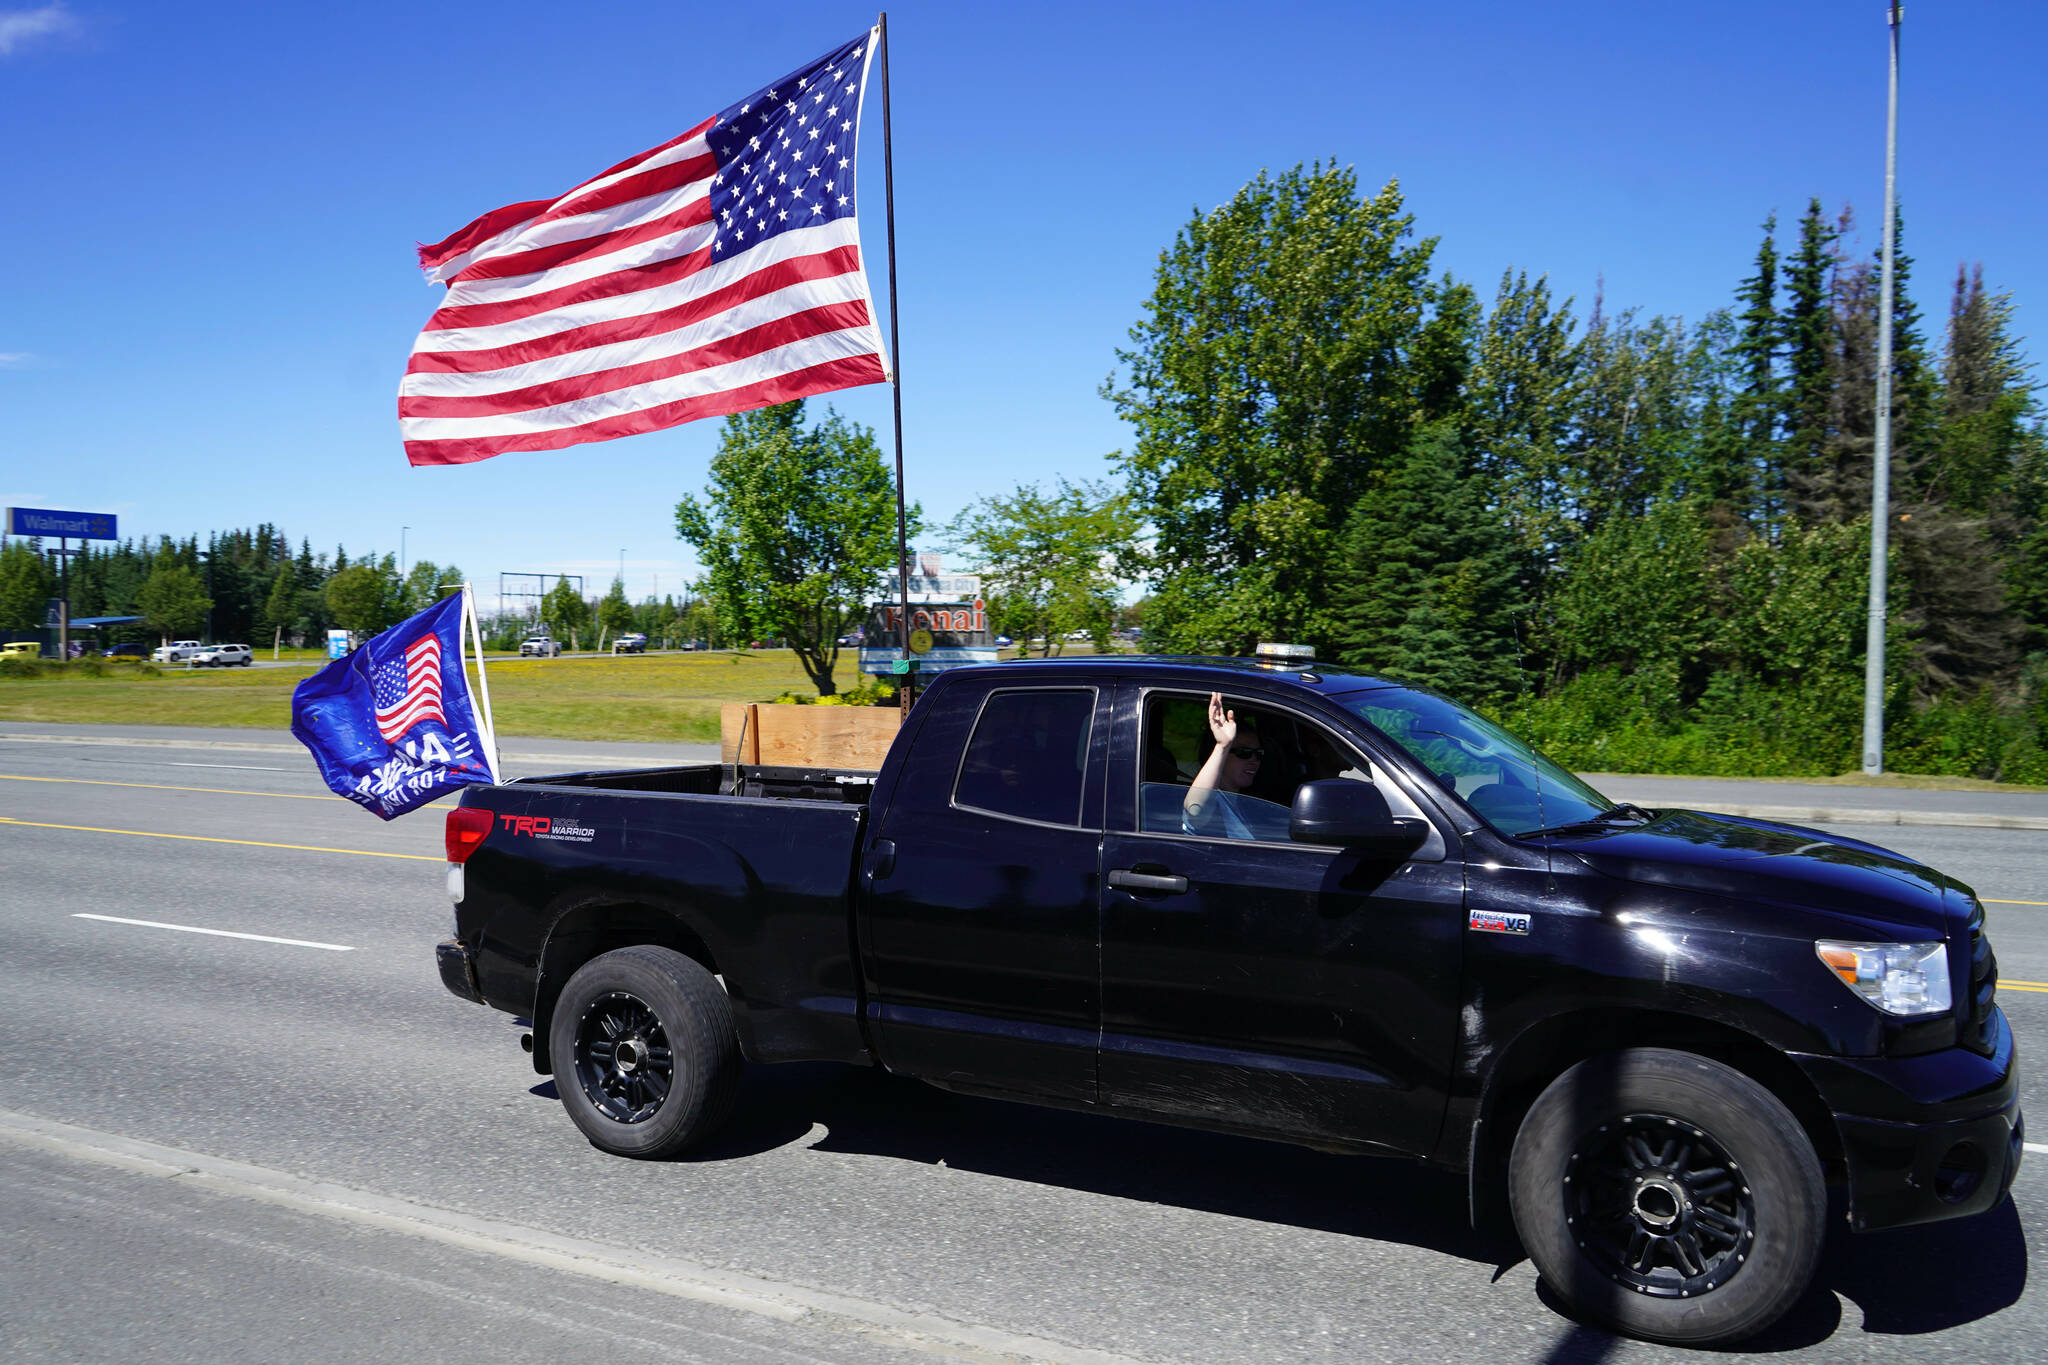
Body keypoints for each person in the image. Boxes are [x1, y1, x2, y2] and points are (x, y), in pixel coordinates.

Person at [1182, 691, 1288, 839]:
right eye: (1244, 752)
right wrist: (1222, 746)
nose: (1254, 759)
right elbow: (1195, 810)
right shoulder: (1213, 802)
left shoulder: (1249, 804)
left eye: (1259, 753)